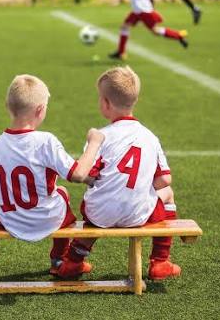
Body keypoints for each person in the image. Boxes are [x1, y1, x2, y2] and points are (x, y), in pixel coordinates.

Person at [57, 66, 180, 281]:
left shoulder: (101, 136)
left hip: (98, 214)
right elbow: (163, 180)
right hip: (138, 215)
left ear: (105, 103)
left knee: (97, 207)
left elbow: (87, 175)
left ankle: (72, 262)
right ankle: (160, 261)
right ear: (135, 101)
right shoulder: (149, 137)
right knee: (167, 193)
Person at [0, 75, 105, 275]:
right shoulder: (45, 141)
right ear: (40, 110)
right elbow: (78, 174)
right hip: (47, 219)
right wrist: (94, 142)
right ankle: (59, 260)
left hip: (10, 220)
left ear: (8, 106)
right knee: (62, 193)